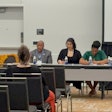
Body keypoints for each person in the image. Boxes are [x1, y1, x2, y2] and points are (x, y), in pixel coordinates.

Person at [6, 45, 55, 112]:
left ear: (18, 56)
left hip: (16, 100)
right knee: (52, 95)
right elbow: (44, 84)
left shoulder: (10, 70)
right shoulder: (36, 70)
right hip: (35, 100)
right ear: (29, 56)